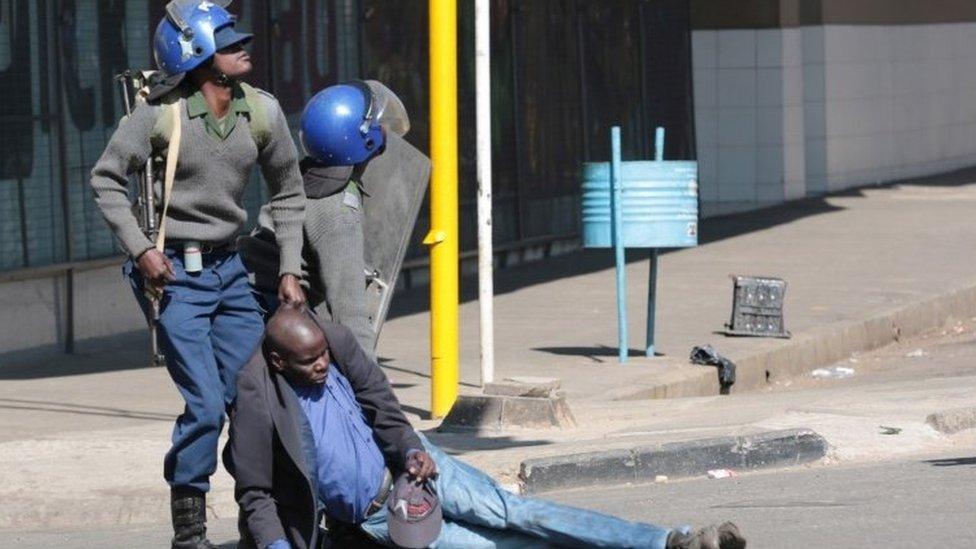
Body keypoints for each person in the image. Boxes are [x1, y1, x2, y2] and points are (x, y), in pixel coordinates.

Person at [224, 308, 747, 549]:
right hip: (383, 519)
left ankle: (667, 542)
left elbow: (381, 403)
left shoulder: (332, 340)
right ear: (276, 359)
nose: (321, 366)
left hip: (416, 469)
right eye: (309, 362)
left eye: (323, 356)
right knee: (498, 545)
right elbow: (255, 491)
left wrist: (409, 449)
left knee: (516, 513)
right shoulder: (256, 399)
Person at [89, 1, 305, 547]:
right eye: (230, 43)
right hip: (174, 279)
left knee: (251, 398)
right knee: (206, 404)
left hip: (231, 272)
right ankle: (189, 530)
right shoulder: (161, 114)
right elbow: (106, 180)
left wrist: (289, 268)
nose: (243, 48)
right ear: (200, 56)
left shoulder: (261, 113)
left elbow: (289, 191)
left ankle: (259, 513)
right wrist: (140, 250)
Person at [240, 80, 420, 357]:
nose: (384, 133)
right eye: (378, 128)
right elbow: (350, 317)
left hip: (249, 304)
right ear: (365, 140)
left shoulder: (304, 177)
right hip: (270, 316)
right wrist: (374, 392)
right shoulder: (337, 211)